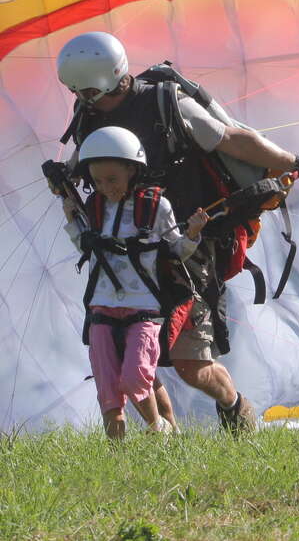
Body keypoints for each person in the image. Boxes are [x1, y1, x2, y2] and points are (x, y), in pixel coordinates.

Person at [55, 31, 299, 433]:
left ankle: (235, 406)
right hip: (125, 252)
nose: (87, 100)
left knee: (190, 362)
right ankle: (166, 440)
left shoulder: (165, 102)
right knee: (125, 349)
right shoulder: (89, 114)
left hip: (186, 245)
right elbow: (87, 163)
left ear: (118, 78)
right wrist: (64, 177)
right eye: (79, 93)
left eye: (92, 92)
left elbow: (232, 139)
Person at [62, 125, 209, 440]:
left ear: (132, 170)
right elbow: (86, 248)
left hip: (143, 306)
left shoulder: (156, 207)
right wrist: (72, 219)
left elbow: (176, 251)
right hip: (101, 305)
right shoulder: (96, 209)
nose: (106, 187)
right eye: (98, 181)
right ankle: (117, 459)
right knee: (107, 386)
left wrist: (193, 234)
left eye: (112, 179)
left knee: (135, 376)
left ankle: (160, 431)